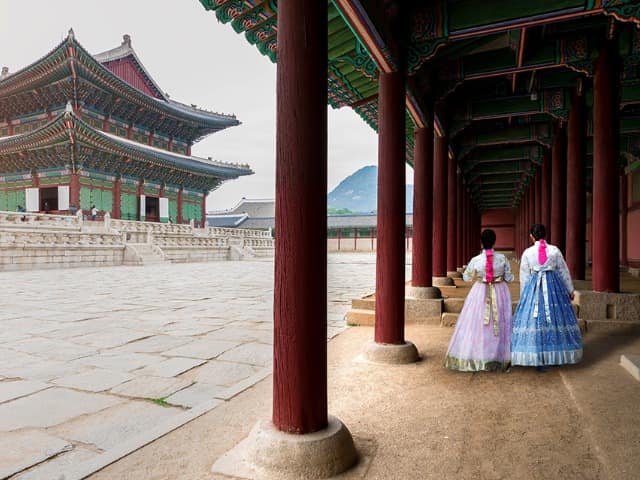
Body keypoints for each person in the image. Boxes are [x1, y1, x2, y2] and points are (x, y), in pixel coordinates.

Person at [511, 224, 582, 369]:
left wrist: (524, 296)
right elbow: (563, 271)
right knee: (555, 318)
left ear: (532, 236)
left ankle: (536, 352)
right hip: (554, 287)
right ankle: (555, 352)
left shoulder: (527, 252)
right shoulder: (554, 250)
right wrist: (570, 290)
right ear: (545, 235)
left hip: (534, 287)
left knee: (535, 319)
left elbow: (524, 275)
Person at [444, 229, 514, 372]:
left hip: (480, 291)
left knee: (477, 322)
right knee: (500, 321)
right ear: (494, 241)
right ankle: (500, 356)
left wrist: (479, 274)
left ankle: (478, 355)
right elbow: (510, 278)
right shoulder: (502, 259)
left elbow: (467, 278)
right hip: (500, 291)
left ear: (481, 242)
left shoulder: (476, 260)